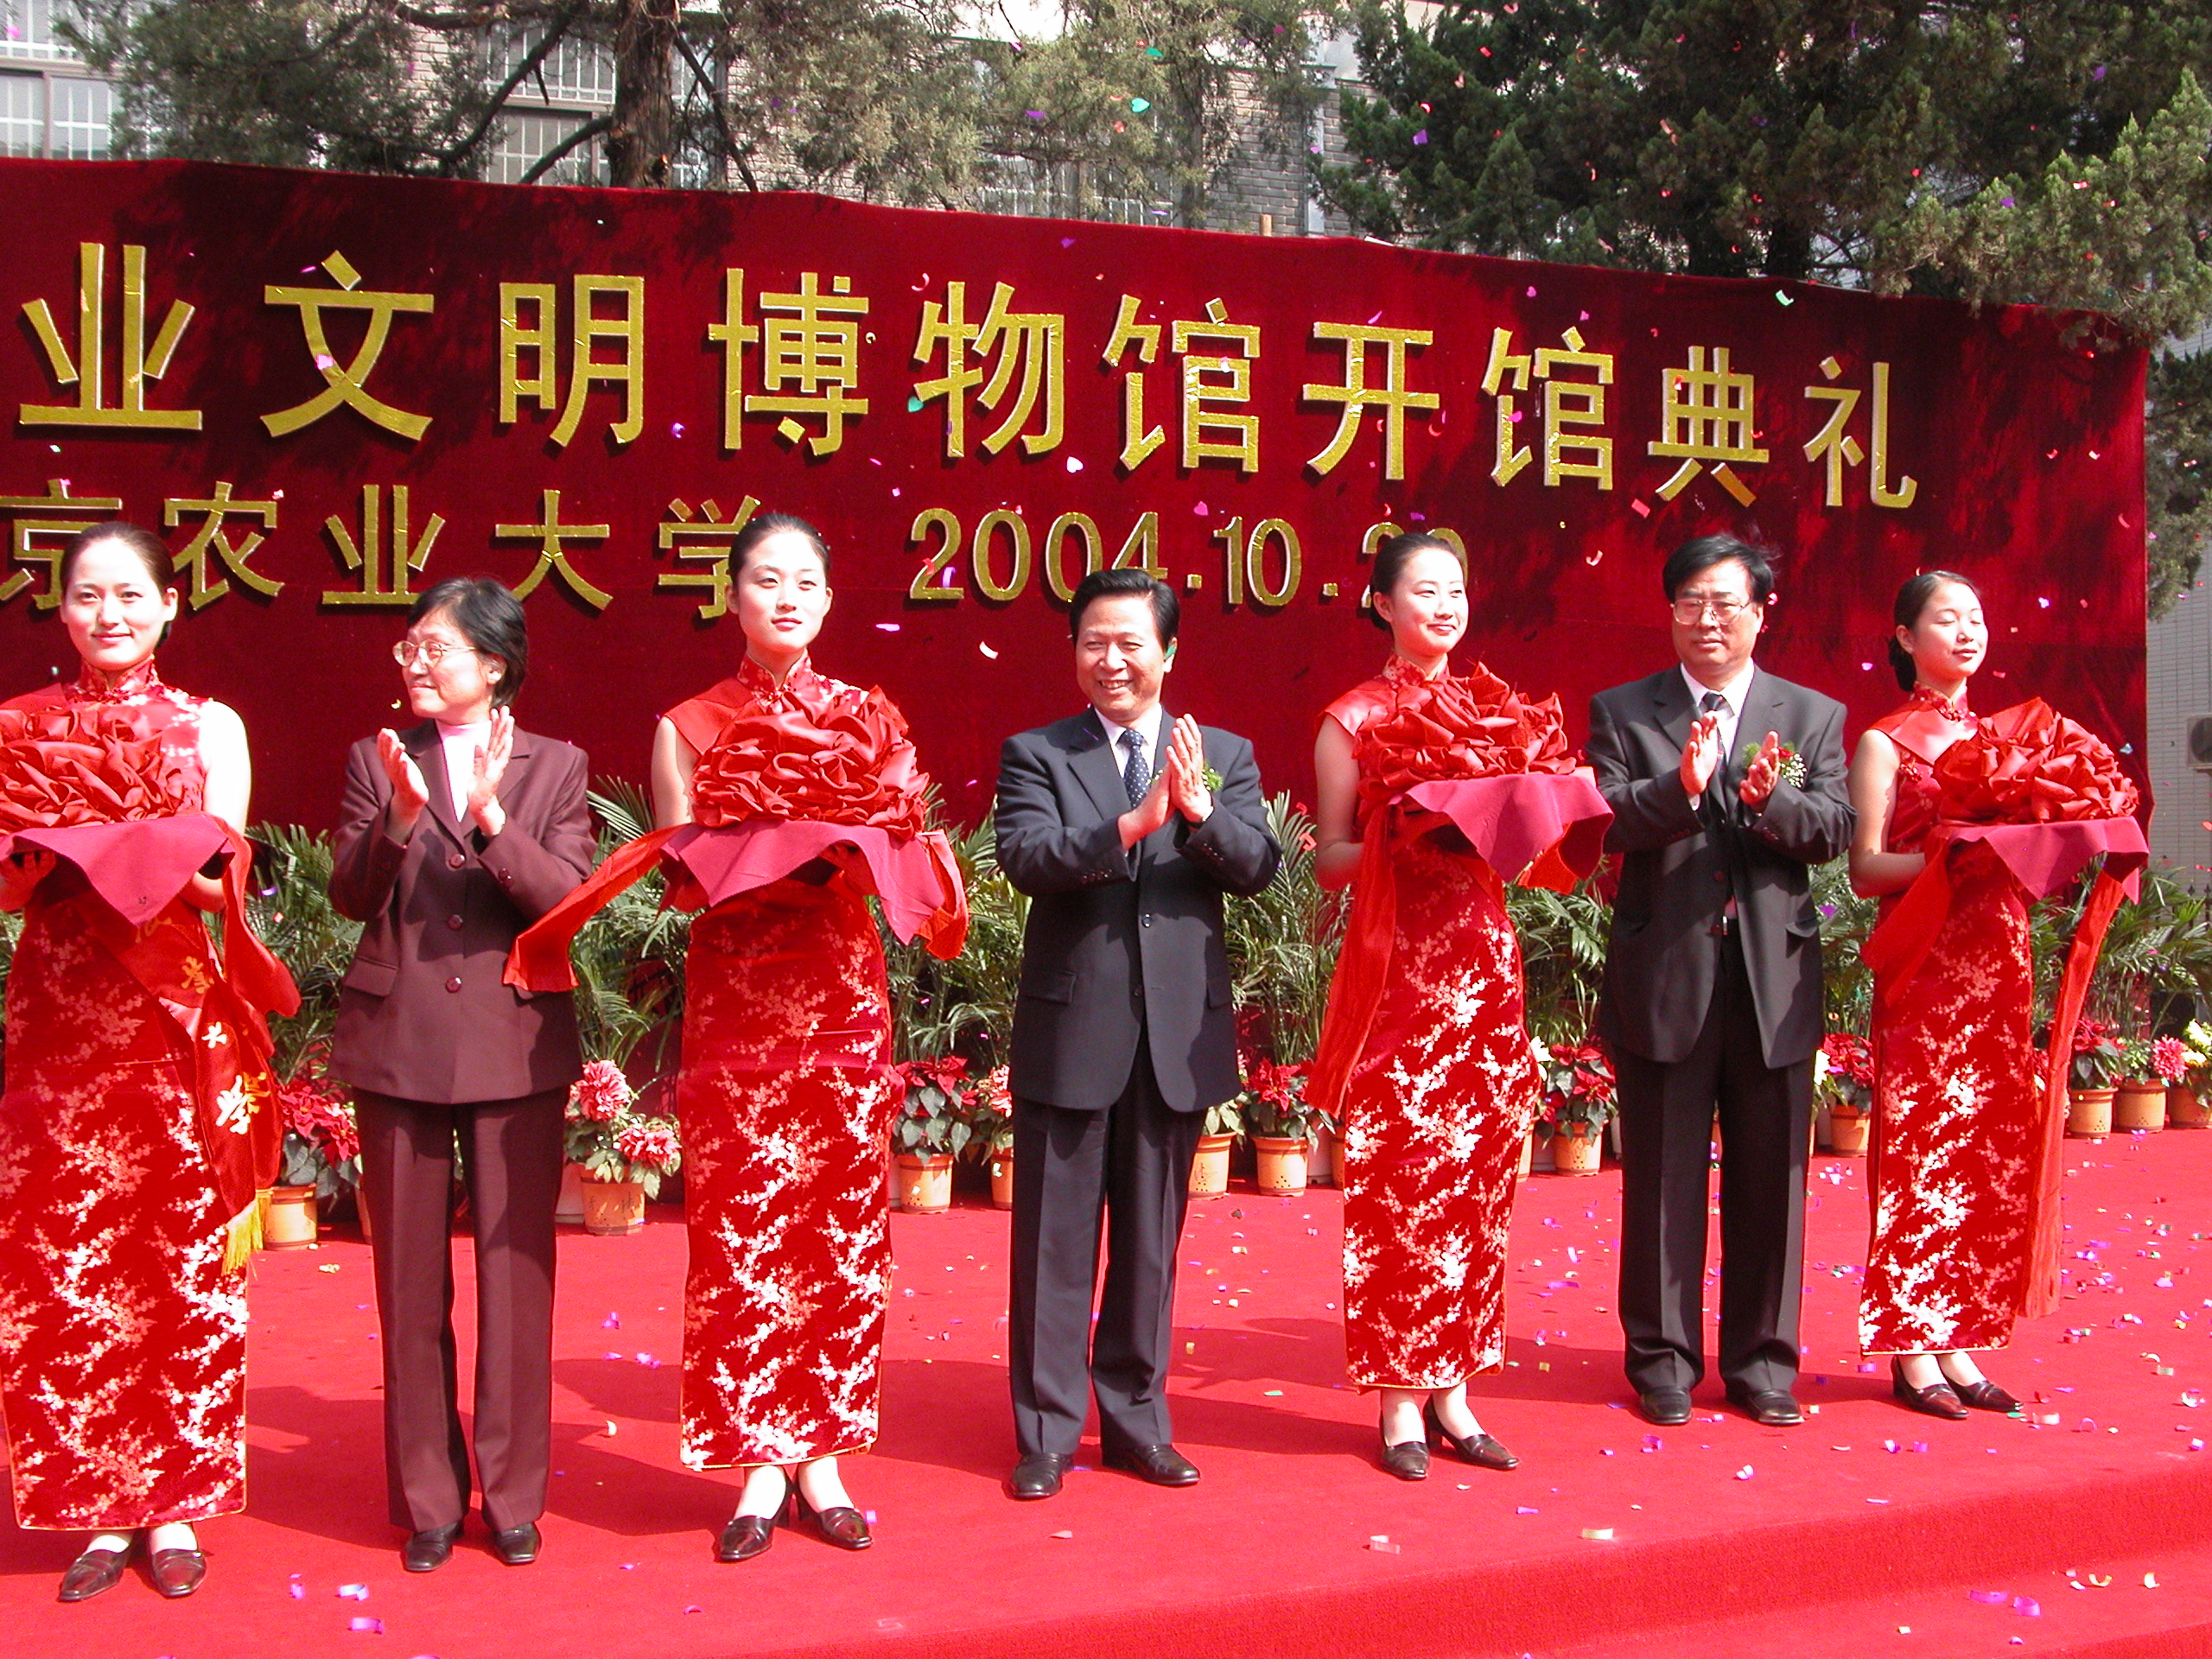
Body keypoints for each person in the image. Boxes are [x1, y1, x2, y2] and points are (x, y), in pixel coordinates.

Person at [650, 514, 963, 1561]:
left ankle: (821, 1457)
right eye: (765, 580)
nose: (785, 598)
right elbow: (678, 877)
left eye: (804, 583)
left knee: (838, 1224)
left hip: (839, 994)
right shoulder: (688, 723)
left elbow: (905, 838)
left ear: (827, 600)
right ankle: (754, 1464)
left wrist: (861, 851)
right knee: (739, 1228)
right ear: (731, 595)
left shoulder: (869, 720)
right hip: (738, 998)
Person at [0, 523, 293, 1602]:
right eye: (88, 595)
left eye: (130, 595)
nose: (109, 615)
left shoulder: (210, 725)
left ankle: (174, 1505)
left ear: (170, 605)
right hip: (61, 1024)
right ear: (60, 608)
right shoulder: (18, 726)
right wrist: (51, 854)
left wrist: (140, 850)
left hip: (175, 1020)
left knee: (180, 1259)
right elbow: (9, 883)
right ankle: (94, 1506)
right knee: (69, 1261)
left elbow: (224, 882)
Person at [996, 568, 1281, 1501]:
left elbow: (1258, 865)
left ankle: (1136, 1425)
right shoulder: (1037, 753)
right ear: (1073, 652)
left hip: (1175, 1039)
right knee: (1054, 1245)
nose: (1111, 660)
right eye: (1094, 642)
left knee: (1151, 1249)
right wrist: (1131, 824)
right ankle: (1046, 1433)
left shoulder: (1222, 754)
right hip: (1071, 1032)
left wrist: (1196, 813)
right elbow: (1026, 857)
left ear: (1168, 652)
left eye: (1130, 643)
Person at [328, 578, 594, 1574]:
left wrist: (488, 817)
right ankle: (429, 1500)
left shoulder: (555, 765)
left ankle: (513, 1495)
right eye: (410, 646)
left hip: (512, 1040)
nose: (416, 663)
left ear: (493, 663)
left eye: (435, 648)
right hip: (397, 1040)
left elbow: (565, 899)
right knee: (407, 1281)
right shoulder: (376, 758)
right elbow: (349, 892)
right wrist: (399, 819)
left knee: (516, 1279)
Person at [1311, 533, 1583, 1480]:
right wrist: (1404, 830)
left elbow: (1536, 848)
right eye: (1423, 590)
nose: (1444, 606)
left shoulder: (1498, 712)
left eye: (1455, 590)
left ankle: (1457, 1392)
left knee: (1477, 1183)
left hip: (1484, 974)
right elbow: (1329, 859)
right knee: (1399, 1182)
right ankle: (1398, 1400)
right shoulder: (1349, 719)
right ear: (1382, 603)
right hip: (1398, 978)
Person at [1587, 534, 1853, 1429]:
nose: (1707, 619)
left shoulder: (1809, 713)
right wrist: (1681, 787)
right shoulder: (1625, 710)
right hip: (1667, 972)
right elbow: (1602, 821)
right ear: (1670, 612)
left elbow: (1833, 830)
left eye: (1725, 602)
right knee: (1661, 1177)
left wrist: (1766, 798)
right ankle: (1662, 1361)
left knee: (1772, 1180)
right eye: (1690, 602)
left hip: (1773, 979)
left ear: (1760, 613)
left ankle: (1762, 1363)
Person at [1847, 573, 2042, 1419]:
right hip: (1925, 967)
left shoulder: (2011, 741)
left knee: (1981, 1153)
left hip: (1999, 962)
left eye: (1976, 618)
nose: (1966, 632)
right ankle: (1911, 1349)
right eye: (1946, 619)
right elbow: (1864, 870)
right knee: (1920, 1151)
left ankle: (1958, 1340)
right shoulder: (1884, 743)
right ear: (1903, 637)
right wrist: (1948, 859)